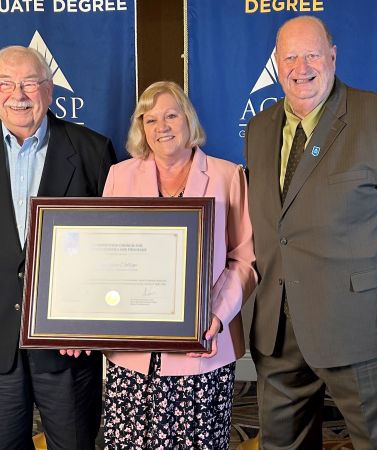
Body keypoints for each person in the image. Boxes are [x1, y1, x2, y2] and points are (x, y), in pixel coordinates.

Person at [243, 16, 377, 449]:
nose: (302, 67)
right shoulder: (260, 129)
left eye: (312, 54)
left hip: (364, 327)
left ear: (333, 57)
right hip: (279, 331)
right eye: (290, 57)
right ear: (277, 65)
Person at [0, 45, 115, 449]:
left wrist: (96, 322)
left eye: (30, 83)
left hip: (69, 340)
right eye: (6, 83)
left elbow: (110, 244)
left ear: (49, 90)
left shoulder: (91, 149)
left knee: (75, 442)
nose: (18, 93)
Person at [101, 81, 257, 449]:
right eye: (150, 119)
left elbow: (244, 259)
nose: (162, 127)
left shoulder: (227, 176)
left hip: (203, 345)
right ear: (141, 127)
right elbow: (107, 257)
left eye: (171, 115)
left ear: (188, 120)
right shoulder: (119, 176)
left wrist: (216, 316)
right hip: (133, 352)